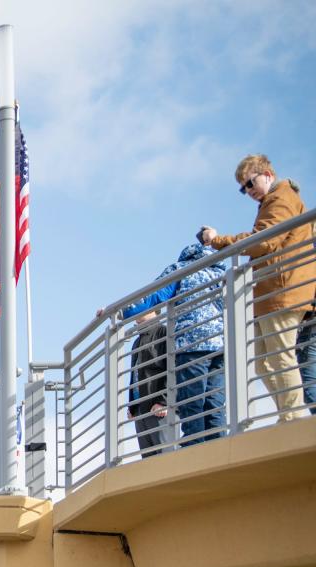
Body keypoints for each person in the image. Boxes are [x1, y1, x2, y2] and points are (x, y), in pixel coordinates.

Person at [200, 154, 316, 422]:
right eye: (243, 188)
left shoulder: (281, 197)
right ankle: (290, 412)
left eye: (250, 184)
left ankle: (294, 416)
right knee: (262, 360)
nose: (248, 191)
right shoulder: (270, 201)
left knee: (279, 355)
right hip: (269, 291)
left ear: (267, 175)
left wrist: (219, 240)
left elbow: (264, 241)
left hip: (282, 291)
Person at [121, 244, 227, 446]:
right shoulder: (217, 271)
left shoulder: (181, 269)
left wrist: (121, 313)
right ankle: (219, 449)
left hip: (192, 343)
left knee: (192, 403)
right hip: (218, 344)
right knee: (214, 403)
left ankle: (194, 450)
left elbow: (152, 297)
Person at [126, 310, 169, 458]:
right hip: (140, 409)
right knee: (148, 462)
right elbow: (135, 373)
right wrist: (132, 404)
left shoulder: (164, 332)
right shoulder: (137, 341)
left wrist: (164, 401)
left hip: (157, 408)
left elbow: (171, 367)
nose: (138, 308)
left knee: (165, 458)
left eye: (144, 304)